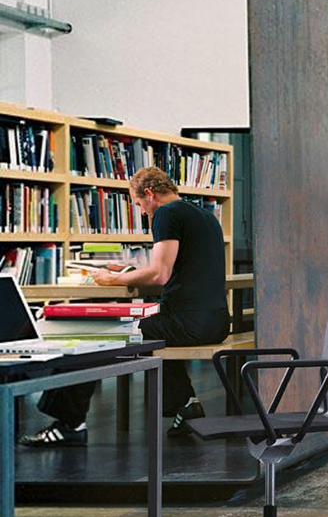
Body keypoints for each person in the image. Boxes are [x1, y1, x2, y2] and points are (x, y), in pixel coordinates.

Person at [20, 166, 229, 447]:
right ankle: (184, 403)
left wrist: (113, 278)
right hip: (216, 321)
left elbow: (159, 274)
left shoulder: (167, 213)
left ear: (149, 194)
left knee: (93, 336)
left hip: (188, 323)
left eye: (139, 204)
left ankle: (70, 424)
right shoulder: (204, 216)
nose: (142, 211)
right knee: (149, 331)